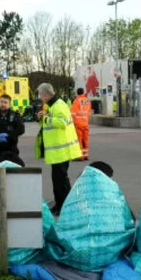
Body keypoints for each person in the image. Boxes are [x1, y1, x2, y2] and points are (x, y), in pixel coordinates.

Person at [35, 83, 82, 215]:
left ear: (45, 95)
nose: (39, 97)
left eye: (40, 94)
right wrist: (41, 118)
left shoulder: (59, 105)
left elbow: (61, 122)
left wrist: (47, 118)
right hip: (56, 151)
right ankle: (59, 203)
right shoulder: (50, 105)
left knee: (62, 180)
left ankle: (66, 206)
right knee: (56, 180)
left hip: (62, 150)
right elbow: (48, 122)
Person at [0, 94, 26, 166]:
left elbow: (21, 129)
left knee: (17, 168)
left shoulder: (15, 115)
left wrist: (9, 135)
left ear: (9, 105)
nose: (3, 104)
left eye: (5, 102)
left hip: (11, 149)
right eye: (1, 102)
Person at [71, 88, 92, 161]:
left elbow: (73, 113)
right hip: (85, 123)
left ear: (77, 93)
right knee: (85, 139)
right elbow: (89, 112)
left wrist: (73, 122)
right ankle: (86, 155)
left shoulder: (77, 101)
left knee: (79, 140)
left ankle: (80, 156)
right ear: (83, 92)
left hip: (78, 123)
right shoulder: (87, 100)